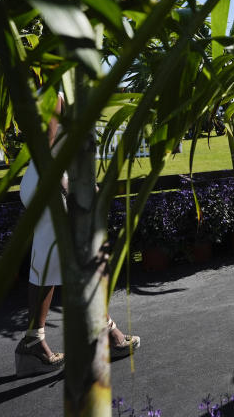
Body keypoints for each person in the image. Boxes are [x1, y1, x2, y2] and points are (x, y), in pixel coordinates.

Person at [14, 94, 140, 377]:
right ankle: (104, 333)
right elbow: (45, 150)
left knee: (49, 261)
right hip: (52, 184)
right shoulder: (55, 91)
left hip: (44, 182)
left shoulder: (60, 89)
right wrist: (70, 187)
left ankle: (35, 342)